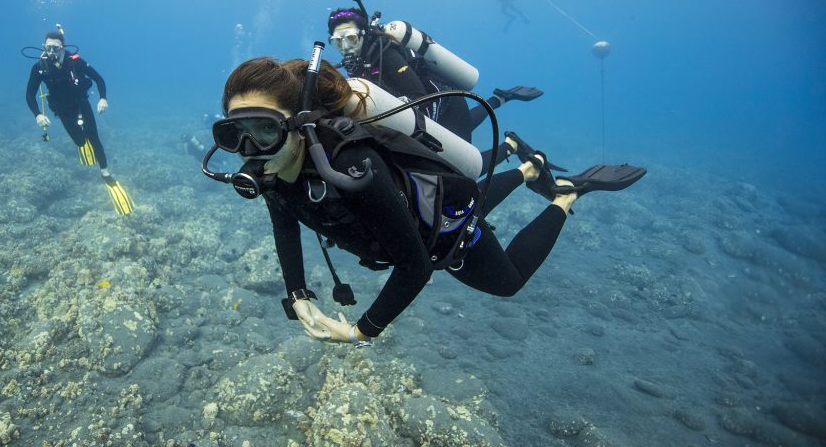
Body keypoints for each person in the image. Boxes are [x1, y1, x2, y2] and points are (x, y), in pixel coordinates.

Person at [211, 57, 645, 344]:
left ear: (299, 125)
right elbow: (284, 221)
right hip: (423, 206)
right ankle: (529, 168)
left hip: (441, 234)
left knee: (507, 281)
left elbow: (416, 266)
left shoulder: (353, 168)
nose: (250, 148)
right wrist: (297, 293)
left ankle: (566, 196)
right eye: (234, 135)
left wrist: (361, 332)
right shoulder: (274, 170)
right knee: (470, 198)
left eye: (264, 129)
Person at [327, 6, 541, 150]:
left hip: (446, 103)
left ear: (364, 34)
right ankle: (500, 99)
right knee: (458, 131)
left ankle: (511, 147)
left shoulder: (385, 54)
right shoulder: (359, 62)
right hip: (429, 108)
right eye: (338, 42)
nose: (345, 47)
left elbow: (416, 94)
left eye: (351, 38)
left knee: (462, 168)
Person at [25, 26, 134, 215]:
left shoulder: (75, 62)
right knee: (79, 141)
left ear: (62, 47)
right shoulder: (39, 68)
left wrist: (103, 98)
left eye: (56, 48)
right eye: (48, 48)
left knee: (94, 137)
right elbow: (29, 95)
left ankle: (105, 173)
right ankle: (82, 143)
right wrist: (38, 115)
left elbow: (99, 79)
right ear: (44, 47)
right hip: (63, 111)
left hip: (81, 104)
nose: (52, 52)